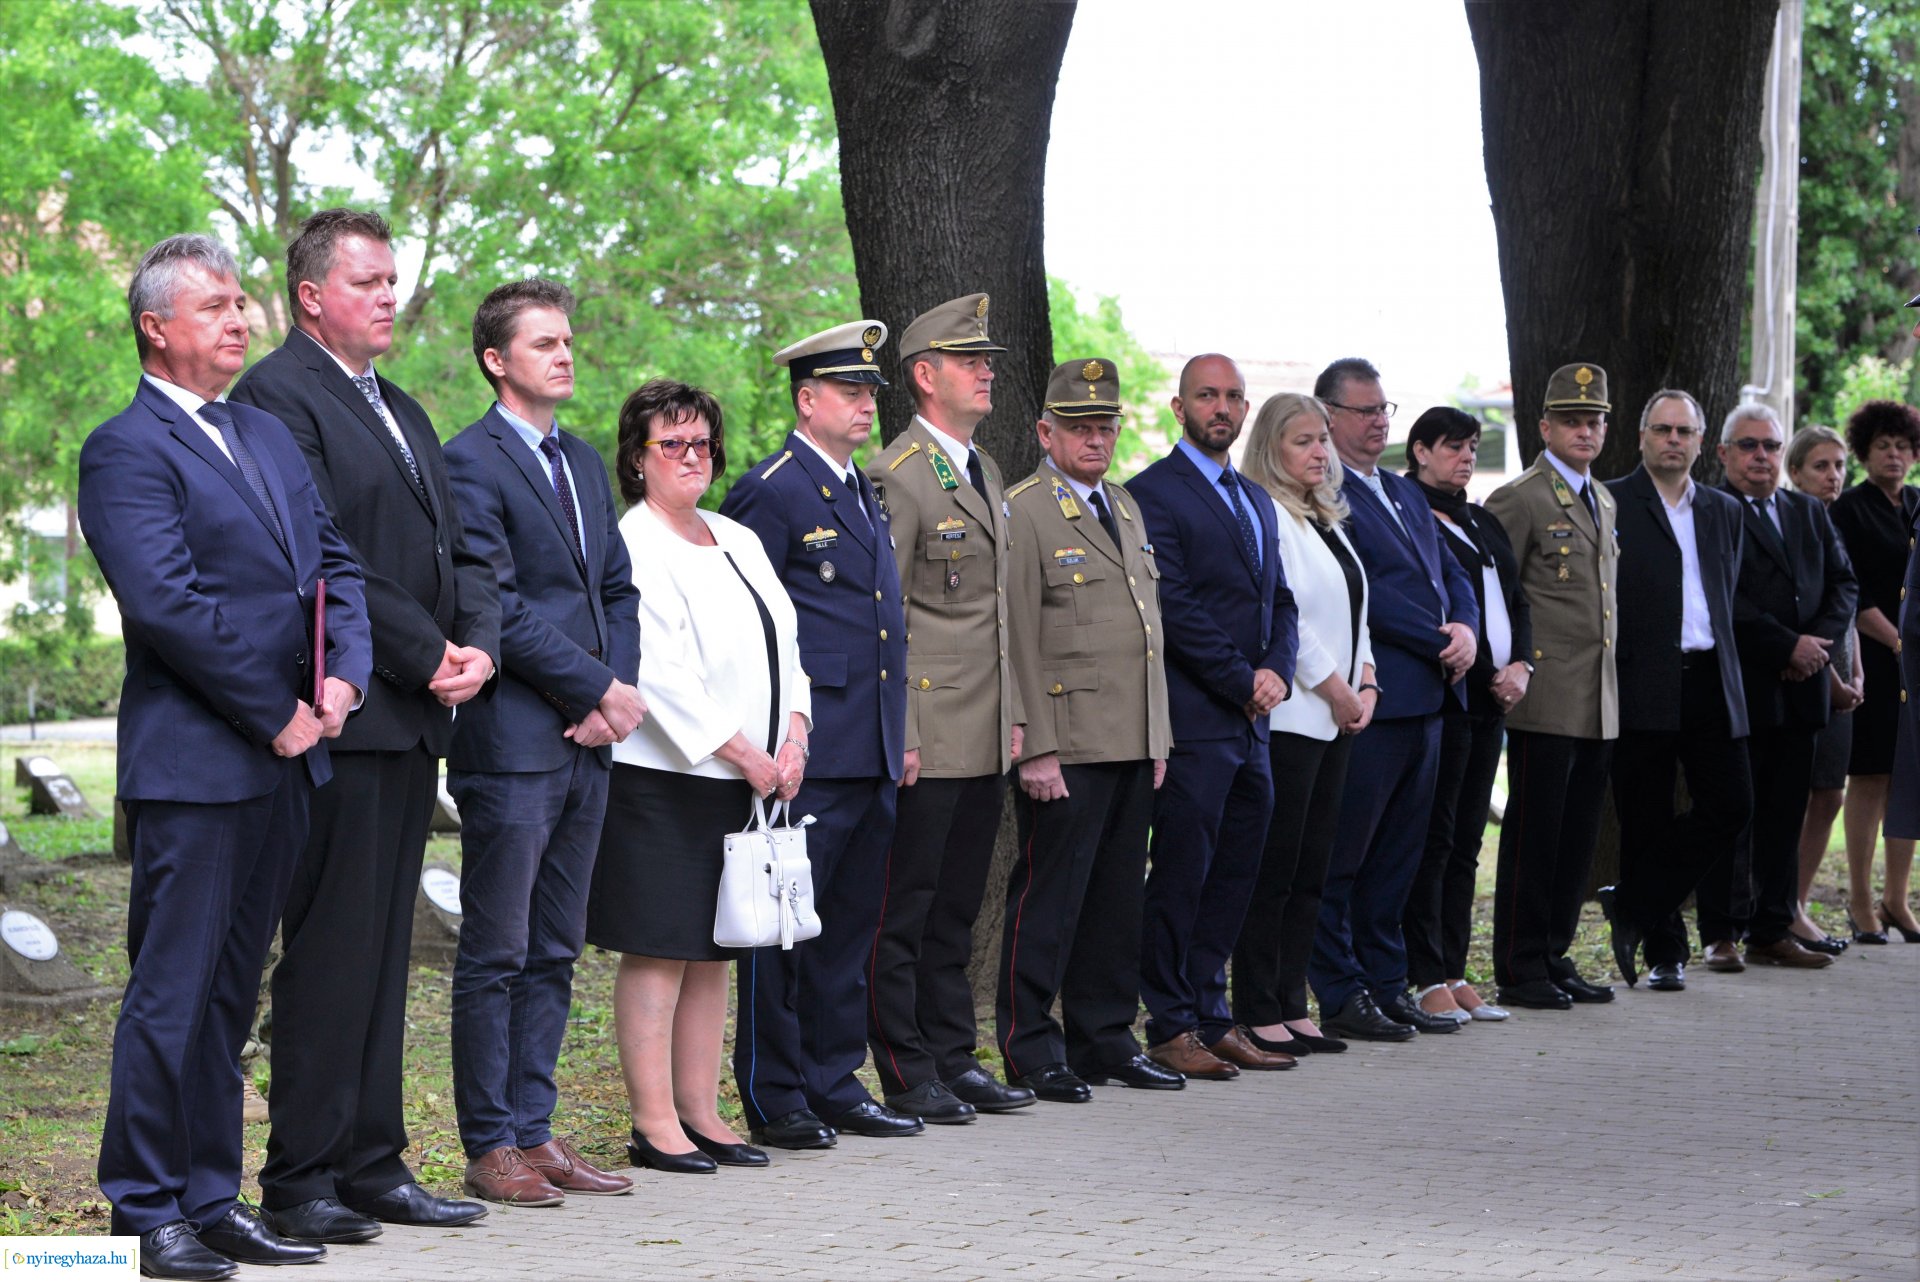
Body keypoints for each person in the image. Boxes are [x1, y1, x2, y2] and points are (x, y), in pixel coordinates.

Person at [86, 233, 371, 1280]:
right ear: (157, 329)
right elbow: (170, 605)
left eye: (242, 302)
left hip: (288, 762)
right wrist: (276, 710)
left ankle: (212, 1197)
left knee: (231, 993)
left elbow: (331, 564)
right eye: (214, 306)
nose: (240, 318)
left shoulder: (261, 431)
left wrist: (342, 674)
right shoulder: (123, 448)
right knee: (171, 991)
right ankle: (144, 1210)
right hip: (199, 767)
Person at [231, 208, 500, 1243]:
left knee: (387, 956)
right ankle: (300, 1177)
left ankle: (372, 1160)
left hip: (418, 718)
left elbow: (461, 548)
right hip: (346, 714)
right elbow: (323, 554)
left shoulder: (403, 406)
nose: (390, 295)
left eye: (394, 280)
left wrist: (475, 645)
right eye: (369, 281)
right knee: (331, 954)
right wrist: (422, 651)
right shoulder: (276, 398)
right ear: (310, 296)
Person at [441, 280, 642, 1203]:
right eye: (543, 343)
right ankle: (489, 1146)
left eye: (568, 340)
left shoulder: (587, 464)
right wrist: (590, 684)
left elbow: (616, 592)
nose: (565, 354)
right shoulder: (466, 463)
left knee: (557, 947)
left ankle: (535, 1130)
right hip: (513, 739)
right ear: (497, 360)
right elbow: (496, 605)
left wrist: (614, 695)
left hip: (588, 740)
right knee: (497, 950)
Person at [586, 379, 811, 1174]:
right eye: (671, 444)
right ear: (636, 458)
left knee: (716, 948)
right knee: (659, 948)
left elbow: (785, 640)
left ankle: (704, 1112)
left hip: (747, 777)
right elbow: (663, 674)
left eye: (702, 443)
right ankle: (653, 1125)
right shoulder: (636, 540)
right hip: (668, 776)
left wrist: (795, 732)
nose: (691, 456)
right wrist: (745, 752)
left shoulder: (734, 535)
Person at [719, 320, 912, 1151]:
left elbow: (880, 625)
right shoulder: (773, 489)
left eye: (871, 391)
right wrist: (772, 739)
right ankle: (776, 1091)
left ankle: (836, 1078)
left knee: (846, 929)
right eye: (850, 391)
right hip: (805, 748)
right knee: (785, 929)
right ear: (807, 399)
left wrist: (895, 733)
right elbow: (747, 624)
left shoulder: (863, 488)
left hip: (865, 743)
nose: (867, 405)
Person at [864, 294, 1033, 1121]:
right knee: (908, 907)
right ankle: (905, 1066)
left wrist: (1016, 716)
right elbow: (885, 618)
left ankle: (952, 1053)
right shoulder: (899, 476)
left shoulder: (983, 468)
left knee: (960, 907)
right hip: (927, 729)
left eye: (987, 359)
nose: (987, 370)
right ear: (926, 377)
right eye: (970, 361)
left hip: (983, 725)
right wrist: (901, 731)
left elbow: (996, 613)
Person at [996, 359, 1178, 1101]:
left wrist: (1158, 737)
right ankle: (1030, 1047)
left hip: (1131, 739)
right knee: (1050, 900)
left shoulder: (1126, 507)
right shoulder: (1024, 510)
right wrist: (1033, 743)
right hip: (1064, 744)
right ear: (1046, 432)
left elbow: (1146, 634)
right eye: (1079, 427)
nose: (1095, 439)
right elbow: (1015, 638)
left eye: (1105, 426)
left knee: (1115, 902)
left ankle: (1105, 1039)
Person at [1128, 353, 1299, 1079]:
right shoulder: (1150, 495)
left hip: (1252, 725)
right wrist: (1242, 680)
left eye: (1232, 396)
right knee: (1182, 875)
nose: (1221, 407)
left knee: (1234, 875)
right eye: (1207, 395)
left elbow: (1280, 602)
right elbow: (1175, 607)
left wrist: (1278, 673)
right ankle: (1169, 1025)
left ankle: (1210, 1015)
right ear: (1179, 407)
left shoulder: (1256, 498)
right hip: (1196, 720)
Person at [1310, 362, 1478, 1040]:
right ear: (1327, 416)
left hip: (1430, 701)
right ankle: (1341, 990)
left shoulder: (1405, 494)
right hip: (1379, 697)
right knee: (1347, 855)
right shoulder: (1328, 491)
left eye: (1386, 408)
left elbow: (1451, 570)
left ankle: (1388, 982)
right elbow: (1366, 591)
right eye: (1364, 410)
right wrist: (1439, 636)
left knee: (1400, 859)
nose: (1380, 421)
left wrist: (1464, 623)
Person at [1231, 393, 1372, 1056]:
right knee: (1275, 869)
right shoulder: (1270, 517)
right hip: (1294, 715)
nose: (1319, 452)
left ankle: (1293, 998)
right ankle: (1259, 1004)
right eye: (1302, 441)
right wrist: (1339, 689)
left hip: (1338, 715)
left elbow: (1354, 608)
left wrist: (1366, 679)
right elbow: (1292, 621)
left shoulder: (1327, 519)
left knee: (1313, 868)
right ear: (1271, 449)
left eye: (1323, 440)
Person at [1595, 390, 1750, 993]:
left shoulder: (1722, 509)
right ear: (1641, 437)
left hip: (1711, 676)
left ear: (1701, 442)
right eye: (1662, 429)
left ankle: (1632, 899)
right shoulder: (1610, 501)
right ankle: (1665, 953)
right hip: (1641, 679)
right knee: (1645, 818)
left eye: (1684, 431)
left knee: (1732, 804)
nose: (1673, 441)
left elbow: (1726, 593)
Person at [1482, 362, 1620, 1010]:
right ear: (1544, 426)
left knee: (1575, 839)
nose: (1585, 431)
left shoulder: (1605, 498)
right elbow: (1498, 596)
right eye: (1571, 420)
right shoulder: (1521, 497)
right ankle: (1519, 962)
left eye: (1594, 421)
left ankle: (1555, 951)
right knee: (1535, 836)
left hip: (1596, 696)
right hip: (1544, 695)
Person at [1708, 404, 1857, 968]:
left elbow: (1844, 584)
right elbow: (1719, 594)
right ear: (1723, 454)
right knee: (1734, 810)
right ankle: (1721, 932)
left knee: (1784, 813)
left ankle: (1772, 928)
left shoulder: (1806, 512)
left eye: (1770, 446)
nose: (1761, 457)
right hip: (1742, 685)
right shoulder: (1711, 510)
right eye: (1748, 446)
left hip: (1804, 687)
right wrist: (1784, 645)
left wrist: (1814, 646)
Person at [1400, 406, 1530, 1020]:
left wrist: (1522, 665)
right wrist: (1485, 674)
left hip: (1496, 700)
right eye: (1453, 447)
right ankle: (1424, 972)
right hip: (1452, 697)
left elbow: (1517, 598)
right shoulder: (1408, 510)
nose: (1467, 457)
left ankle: (1454, 966)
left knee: (1468, 844)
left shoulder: (1482, 520)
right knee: (1437, 838)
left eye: (1473, 446)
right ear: (1420, 451)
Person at [1827, 400, 1920, 943]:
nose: (1894, 454)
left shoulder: (1916, 503)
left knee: (1908, 780)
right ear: (1864, 451)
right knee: (1869, 779)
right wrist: (1898, 639)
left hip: (1914, 667)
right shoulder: (1849, 510)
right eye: (1882, 445)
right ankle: (1861, 902)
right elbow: (1851, 591)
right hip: (1872, 660)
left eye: (1903, 446)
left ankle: (1896, 900)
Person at [1786, 425, 1863, 952]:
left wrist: (1857, 671)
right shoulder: (1788, 521)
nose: (1833, 476)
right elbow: (1799, 613)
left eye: (1839, 466)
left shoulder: (1838, 524)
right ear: (1795, 472)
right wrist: (1831, 677)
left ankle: (1799, 900)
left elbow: (1847, 605)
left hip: (1841, 674)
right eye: (1821, 466)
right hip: (1802, 677)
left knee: (1831, 793)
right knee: (1791, 794)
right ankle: (1779, 907)